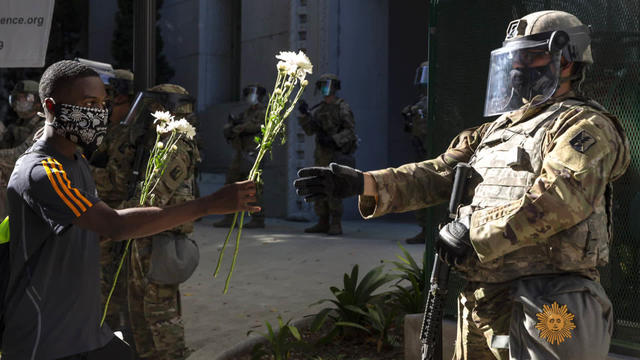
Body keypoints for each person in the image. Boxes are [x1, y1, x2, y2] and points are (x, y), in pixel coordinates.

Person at [294, 11, 630, 360]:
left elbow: (561, 198)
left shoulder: (585, 126)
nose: (519, 66)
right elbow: (439, 173)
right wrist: (363, 183)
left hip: (547, 298)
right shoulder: (495, 130)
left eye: (532, 55)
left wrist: (473, 231)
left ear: (567, 62)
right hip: (483, 300)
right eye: (515, 56)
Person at [4, 60, 259, 359]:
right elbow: (114, 225)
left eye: (103, 103)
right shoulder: (41, 171)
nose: (100, 112)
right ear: (51, 105)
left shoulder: (78, 162)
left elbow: (91, 229)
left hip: (85, 335)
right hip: (46, 341)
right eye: (89, 103)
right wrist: (209, 205)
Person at [126, 83, 199, 360]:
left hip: (160, 242)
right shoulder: (159, 144)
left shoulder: (174, 149)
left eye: (155, 107)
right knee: (141, 313)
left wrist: (111, 218)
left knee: (160, 315)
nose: (150, 113)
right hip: (146, 239)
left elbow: (151, 201)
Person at [89, 69, 136, 338]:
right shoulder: (112, 132)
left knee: (107, 295)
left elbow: (116, 184)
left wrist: (82, 170)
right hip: (105, 222)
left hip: (114, 223)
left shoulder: (125, 135)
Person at [297, 73, 357, 235]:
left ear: (335, 88)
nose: (326, 89)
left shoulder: (342, 107)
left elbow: (350, 131)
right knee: (319, 187)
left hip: (335, 154)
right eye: (322, 86)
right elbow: (310, 130)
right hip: (321, 154)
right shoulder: (319, 109)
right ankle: (322, 221)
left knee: (333, 188)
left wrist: (334, 139)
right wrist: (304, 115)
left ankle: (335, 223)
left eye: (328, 85)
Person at [214, 84, 268, 229]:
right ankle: (230, 217)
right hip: (240, 151)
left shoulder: (264, 112)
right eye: (248, 93)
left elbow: (253, 127)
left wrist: (237, 128)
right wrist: (231, 128)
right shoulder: (246, 113)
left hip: (253, 152)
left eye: (252, 93)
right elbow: (232, 126)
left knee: (252, 185)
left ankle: (257, 218)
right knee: (231, 183)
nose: (249, 96)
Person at [0, 80, 44, 219]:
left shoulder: (44, 125)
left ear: (37, 100)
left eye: (26, 97)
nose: (20, 101)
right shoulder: (18, 125)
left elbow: (24, 153)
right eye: (17, 98)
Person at [401, 61, 430, 244]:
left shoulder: (436, 100)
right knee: (419, 190)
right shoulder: (419, 103)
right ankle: (425, 229)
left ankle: (432, 229)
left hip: (433, 153)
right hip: (421, 152)